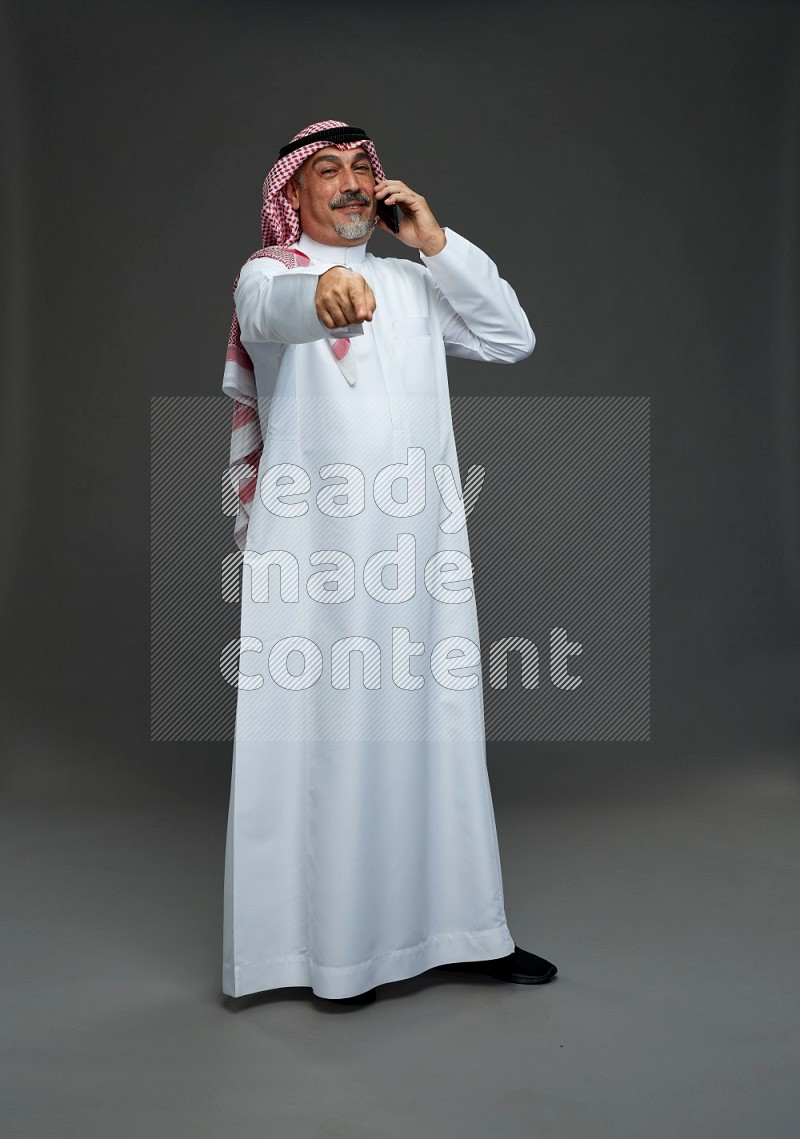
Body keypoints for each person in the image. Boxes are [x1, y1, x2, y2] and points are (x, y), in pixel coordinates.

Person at [221, 120, 557, 1005]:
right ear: (291, 196)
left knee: (437, 732)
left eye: (361, 170)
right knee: (330, 735)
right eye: (325, 172)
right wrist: (324, 286)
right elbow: (274, 312)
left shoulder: (413, 283)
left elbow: (511, 337)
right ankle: (336, 954)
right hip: (320, 563)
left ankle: (467, 933)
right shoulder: (271, 274)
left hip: (419, 554)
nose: (349, 184)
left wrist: (438, 245)